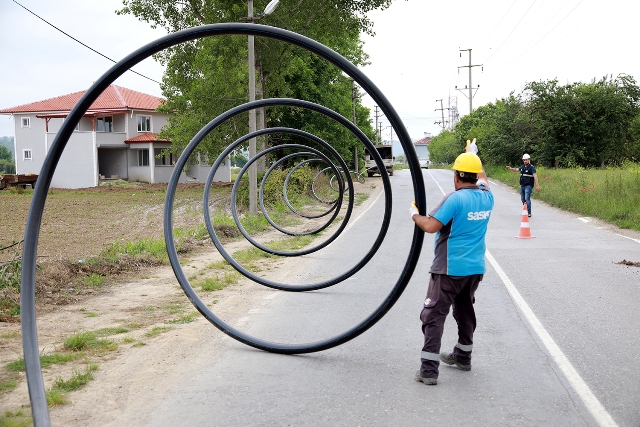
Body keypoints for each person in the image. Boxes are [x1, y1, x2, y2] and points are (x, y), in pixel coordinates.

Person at [409, 152, 494, 386]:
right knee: (465, 310)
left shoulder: (455, 199)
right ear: (475, 176)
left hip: (449, 269)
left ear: (456, 176)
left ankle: (428, 370)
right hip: (474, 269)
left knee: (433, 316)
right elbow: (483, 177)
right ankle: (463, 356)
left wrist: (415, 214)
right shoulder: (487, 197)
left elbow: (430, 225)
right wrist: (475, 155)